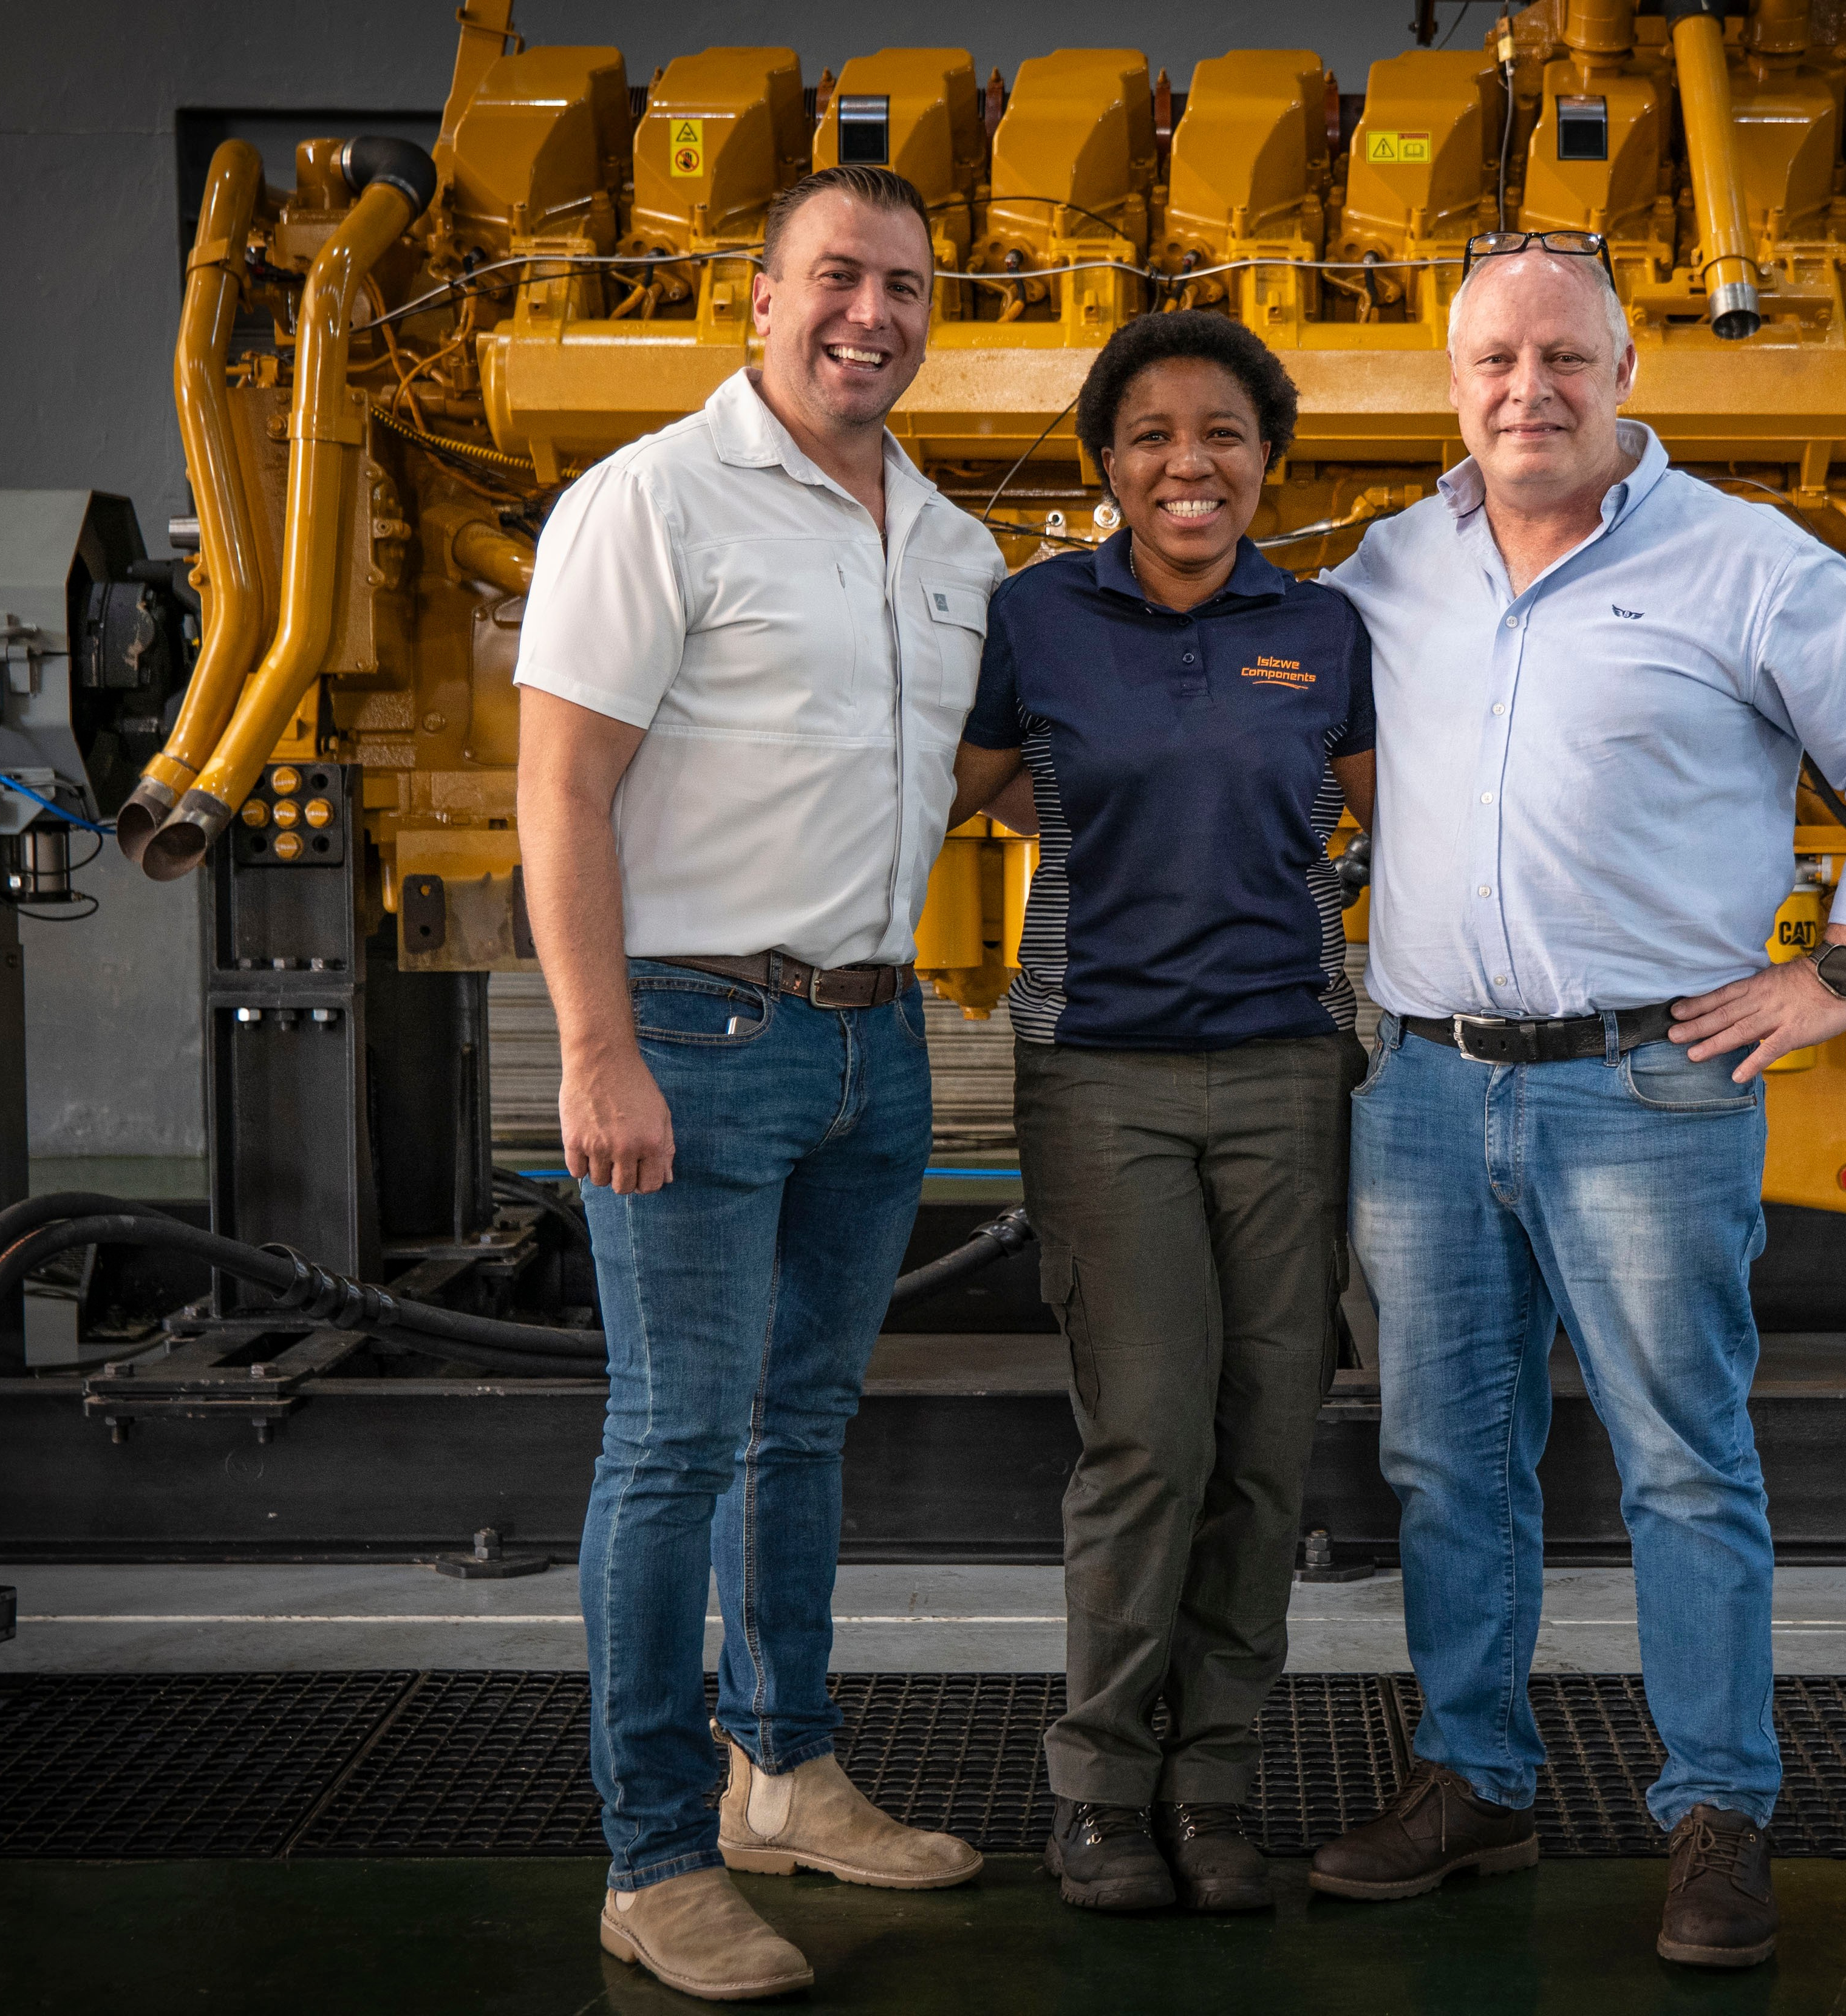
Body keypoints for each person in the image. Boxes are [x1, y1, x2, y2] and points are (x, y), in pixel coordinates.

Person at [1304, 234, 1846, 1968]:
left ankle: (1712, 1817)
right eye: (1491, 365)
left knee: (1683, 1465)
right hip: (1429, 1090)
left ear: (1625, 374)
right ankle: (1473, 1781)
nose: (1525, 391)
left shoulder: (1746, 567)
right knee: (1447, 1464)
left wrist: (1837, 973)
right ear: (1449, 384)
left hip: (1647, 1089)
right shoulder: (1393, 568)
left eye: (1563, 358)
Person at [514, 163, 999, 2002]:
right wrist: (593, 1047)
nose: (868, 313)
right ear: (760, 296)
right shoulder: (650, 500)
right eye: (835, 277)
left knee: (800, 1429)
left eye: (902, 287)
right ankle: (650, 1862)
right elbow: (559, 793)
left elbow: (912, 774)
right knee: (673, 1444)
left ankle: (781, 1773)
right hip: (693, 1034)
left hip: (877, 1041)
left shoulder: (946, 543)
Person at [948, 311, 1377, 1916]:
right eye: (1147, 436)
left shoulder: (1322, 629)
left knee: (1266, 1444)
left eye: (1220, 434)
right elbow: (954, 787)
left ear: (1267, 463)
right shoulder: (1037, 618)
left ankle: (1215, 1787)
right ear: (1104, 467)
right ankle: (1099, 1789)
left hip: (1285, 1073)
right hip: (1101, 1073)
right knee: (1147, 1439)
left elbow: (1403, 823)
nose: (1185, 464)